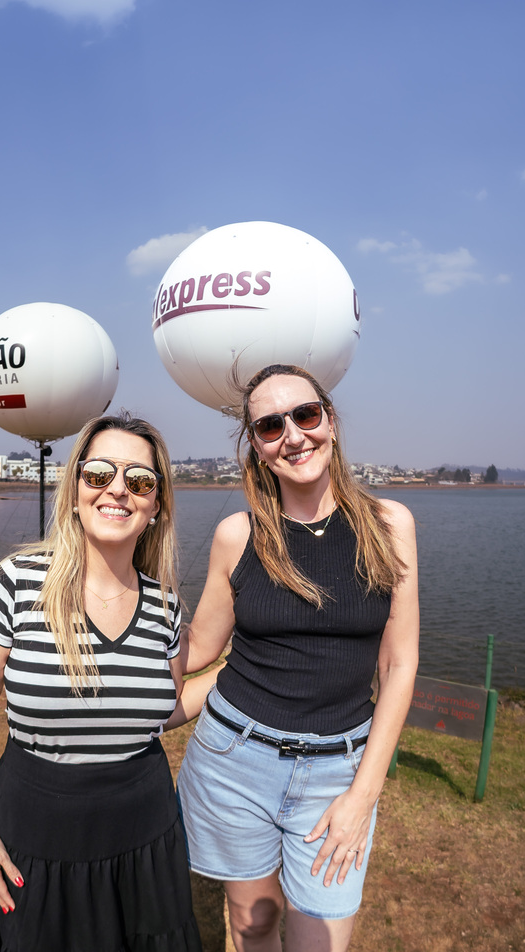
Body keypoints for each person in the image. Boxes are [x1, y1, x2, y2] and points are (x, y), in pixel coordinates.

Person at [175, 364, 420, 952]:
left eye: (305, 415)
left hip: (338, 771)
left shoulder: (390, 526)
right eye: (269, 426)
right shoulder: (239, 534)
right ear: (256, 447)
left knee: (319, 940)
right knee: (254, 925)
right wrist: (115, 618)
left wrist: (362, 796)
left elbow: (398, 664)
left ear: (330, 422)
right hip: (233, 761)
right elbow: (200, 648)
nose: (293, 435)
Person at [0, 412, 201, 952]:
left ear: (156, 506)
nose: (118, 489)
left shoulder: (166, 609)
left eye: (139, 480)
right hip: (33, 835)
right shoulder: (17, 584)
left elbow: (165, 709)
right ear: (74, 490)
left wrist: (247, 669)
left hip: (143, 839)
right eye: (99, 474)